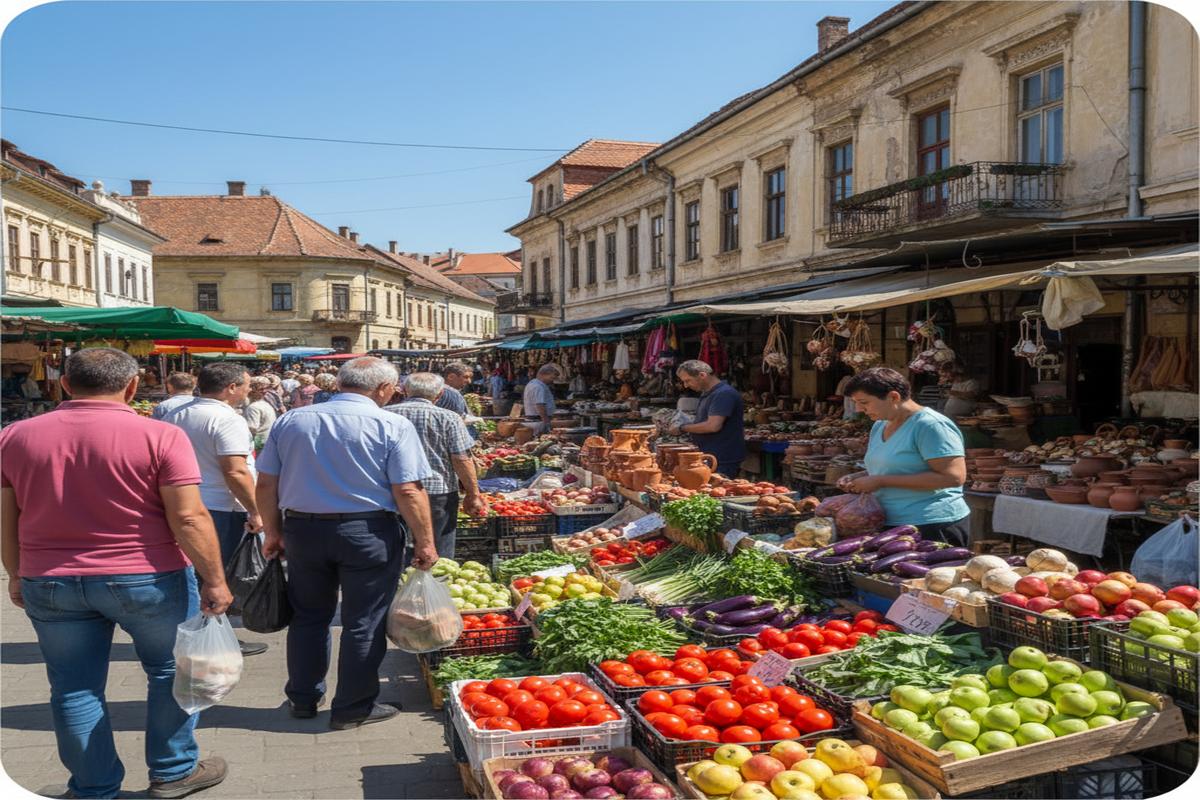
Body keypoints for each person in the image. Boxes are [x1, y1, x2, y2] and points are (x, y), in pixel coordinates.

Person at [0, 348, 232, 799]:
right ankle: (173, 770)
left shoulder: (14, 436)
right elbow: (188, 518)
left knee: (73, 687)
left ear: (65, 384)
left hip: (49, 577)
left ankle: (93, 785)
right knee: (170, 671)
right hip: (147, 575)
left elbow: (5, 515)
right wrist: (215, 578)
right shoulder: (160, 436)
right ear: (131, 387)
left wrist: (14, 572)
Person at [255, 357, 438, 730]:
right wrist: (425, 542)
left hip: (303, 531)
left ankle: (303, 698)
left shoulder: (292, 419)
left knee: (308, 617)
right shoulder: (391, 424)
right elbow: (408, 489)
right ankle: (353, 707)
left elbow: (266, 483)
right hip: (367, 533)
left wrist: (272, 531)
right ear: (383, 389)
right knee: (363, 622)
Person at [161, 363, 267, 657]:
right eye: (245, 385)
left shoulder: (175, 415)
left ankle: (195, 632)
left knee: (193, 572)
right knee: (214, 574)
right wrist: (256, 510)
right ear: (231, 388)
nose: (248, 390)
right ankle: (212, 637)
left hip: (183, 501)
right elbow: (235, 471)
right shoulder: (226, 419)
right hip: (219, 505)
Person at [837, 366, 970, 545]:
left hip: (931, 525)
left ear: (893, 397)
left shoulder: (930, 426)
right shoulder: (880, 425)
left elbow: (953, 477)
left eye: (864, 402)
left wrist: (880, 481)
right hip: (888, 522)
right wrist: (860, 477)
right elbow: (893, 468)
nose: (859, 409)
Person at [386, 373, 486, 562]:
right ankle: (434, 587)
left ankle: (400, 587)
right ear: (439, 395)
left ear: (406, 391)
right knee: (438, 552)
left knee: (397, 550)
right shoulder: (449, 418)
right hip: (438, 493)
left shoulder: (386, 414)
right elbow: (461, 459)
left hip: (393, 491)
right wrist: (474, 495)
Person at [669, 360, 745, 479]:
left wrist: (682, 428)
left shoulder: (723, 394)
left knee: (716, 493)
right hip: (710, 455)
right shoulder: (708, 393)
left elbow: (713, 426)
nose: (686, 385)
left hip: (721, 458)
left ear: (702, 375)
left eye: (687, 380)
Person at [245, 376, 279, 451]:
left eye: (266, 388)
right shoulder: (265, 404)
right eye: (262, 389)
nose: (265, 391)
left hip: (259, 442)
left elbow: (252, 428)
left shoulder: (253, 407)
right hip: (269, 441)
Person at [522, 364, 558, 434]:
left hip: (537, 421)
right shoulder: (538, 386)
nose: (552, 381)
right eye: (551, 378)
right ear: (544, 374)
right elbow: (540, 405)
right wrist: (546, 422)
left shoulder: (534, 384)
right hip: (538, 422)